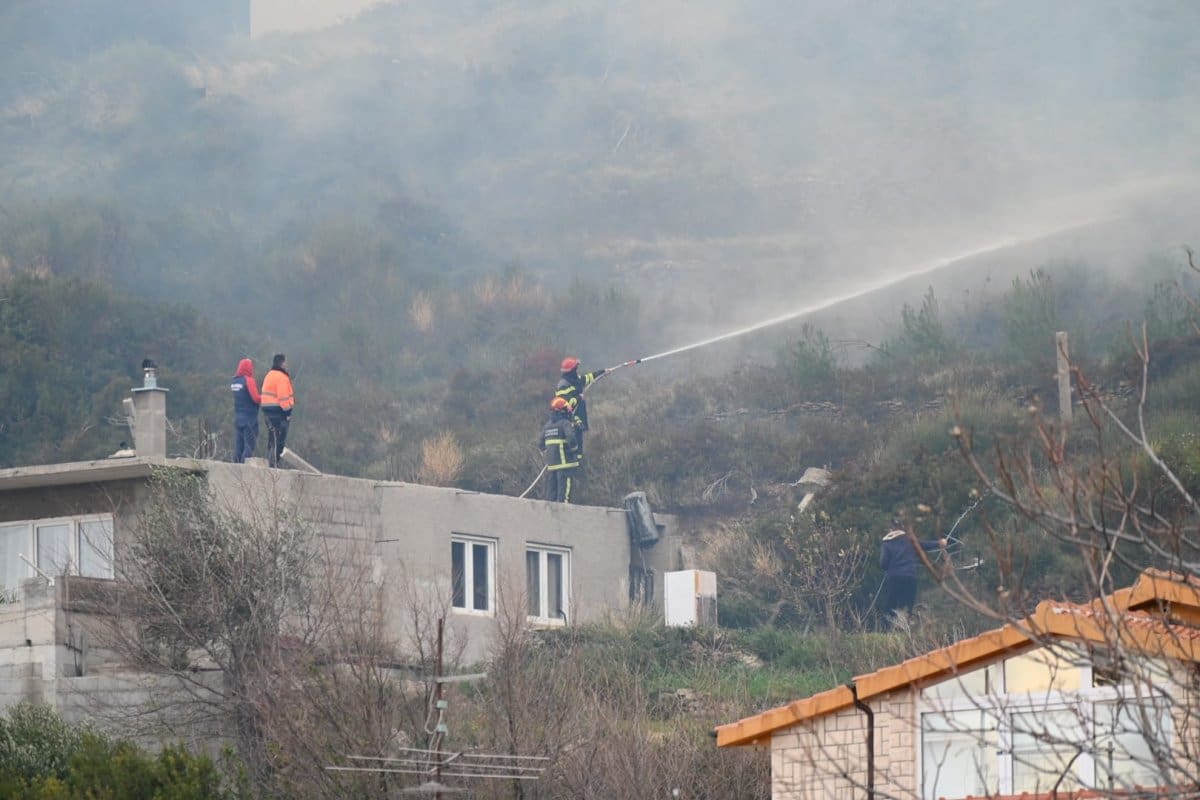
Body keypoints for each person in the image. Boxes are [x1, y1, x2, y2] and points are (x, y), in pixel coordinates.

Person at [880, 520, 946, 625]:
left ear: (890, 530)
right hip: (910, 577)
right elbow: (925, 545)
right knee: (907, 606)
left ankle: (886, 629)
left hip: (894, 578)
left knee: (890, 605)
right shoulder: (909, 541)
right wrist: (940, 543)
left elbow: (883, 564)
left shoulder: (887, 543)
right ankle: (904, 628)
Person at [554, 357, 605, 454]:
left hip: (578, 416)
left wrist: (602, 372)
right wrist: (578, 398)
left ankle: (579, 459)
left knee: (579, 441)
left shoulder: (575, 379)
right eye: (576, 368)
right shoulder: (563, 385)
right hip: (569, 418)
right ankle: (574, 459)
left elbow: (587, 378)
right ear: (572, 370)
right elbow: (564, 403)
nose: (577, 369)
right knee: (572, 441)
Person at [540, 397, 581, 503]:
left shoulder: (547, 425)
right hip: (565, 464)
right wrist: (575, 449)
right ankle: (564, 510)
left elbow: (540, 444)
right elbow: (571, 438)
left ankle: (550, 511)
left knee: (551, 493)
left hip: (552, 465)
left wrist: (548, 454)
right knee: (563, 493)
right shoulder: (565, 423)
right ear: (562, 411)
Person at [260, 353, 295, 468]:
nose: (287, 364)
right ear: (282, 363)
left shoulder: (269, 375)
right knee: (279, 440)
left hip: (267, 411)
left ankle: (269, 463)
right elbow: (283, 398)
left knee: (272, 438)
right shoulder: (282, 377)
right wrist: (287, 413)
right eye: (286, 362)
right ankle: (273, 465)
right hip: (278, 412)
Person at [229, 358, 261, 463]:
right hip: (250, 419)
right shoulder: (249, 380)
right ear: (248, 368)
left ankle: (235, 468)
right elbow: (256, 398)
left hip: (238, 418)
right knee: (249, 447)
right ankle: (244, 469)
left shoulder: (234, 382)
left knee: (239, 447)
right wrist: (266, 397)